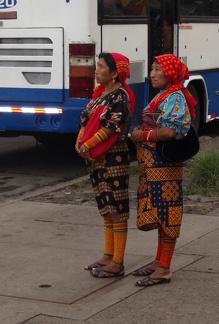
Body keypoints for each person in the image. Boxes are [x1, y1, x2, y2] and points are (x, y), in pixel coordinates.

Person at [130, 54, 196, 287]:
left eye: (158, 69)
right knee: (160, 213)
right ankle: (158, 261)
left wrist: (142, 135)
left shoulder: (175, 98)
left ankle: (165, 268)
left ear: (170, 73)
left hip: (165, 167)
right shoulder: (164, 96)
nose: (152, 74)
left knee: (168, 214)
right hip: (153, 166)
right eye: (152, 69)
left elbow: (169, 132)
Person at [75, 52, 135, 278]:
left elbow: (111, 126)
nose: (96, 70)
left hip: (114, 156)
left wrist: (87, 145)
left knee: (117, 207)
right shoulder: (101, 94)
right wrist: (80, 141)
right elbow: (86, 120)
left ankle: (118, 262)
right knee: (106, 205)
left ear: (115, 73)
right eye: (97, 66)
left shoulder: (119, 96)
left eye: (101, 67)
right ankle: (108, 255)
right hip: (97, 156)